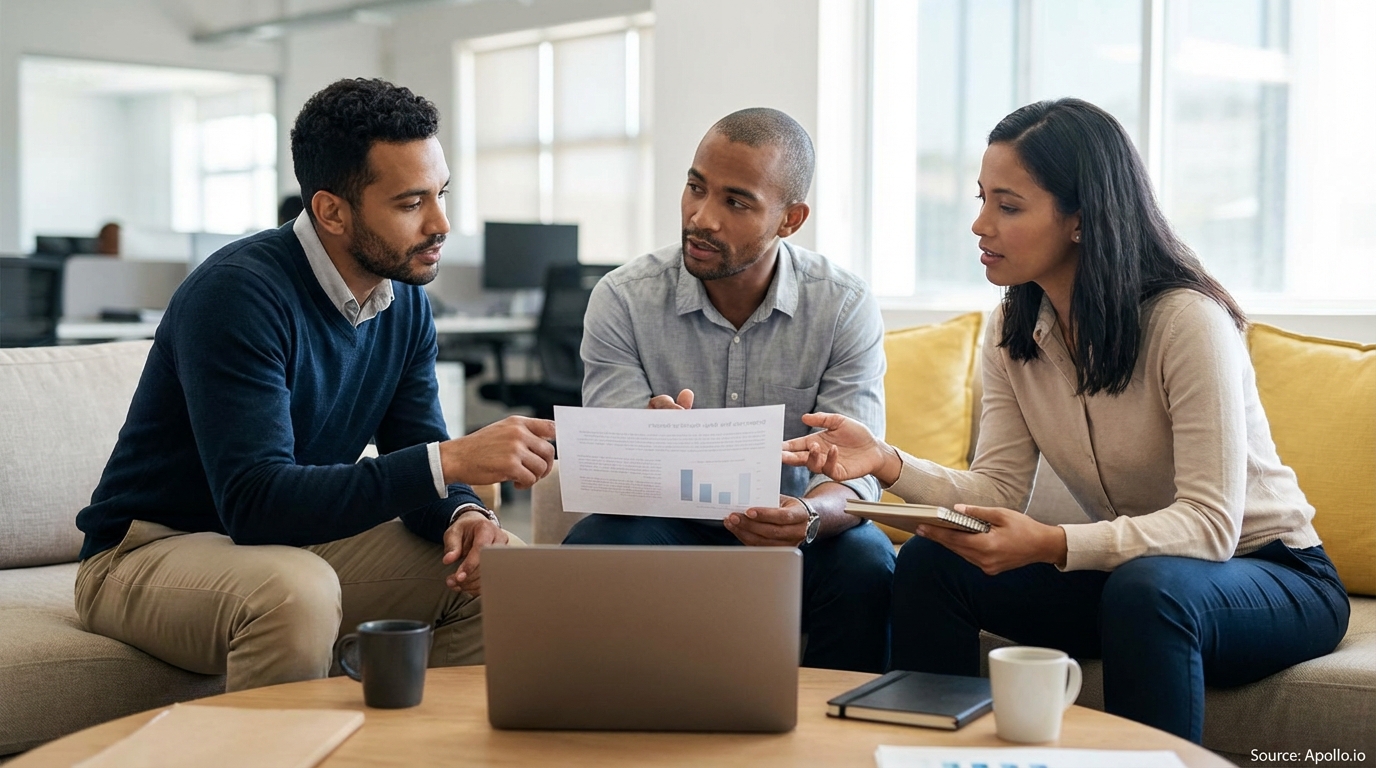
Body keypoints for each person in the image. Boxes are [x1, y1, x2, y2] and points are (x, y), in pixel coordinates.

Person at [781, 98, 1349, 741]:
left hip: (1274, 573)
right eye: (981, 198)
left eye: (1008, 205)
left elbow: (1211, 525)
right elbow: (994, 491)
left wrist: (1054, 545)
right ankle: (927, 756)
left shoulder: (1186, 321)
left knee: (1148, 590)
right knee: (933, 564)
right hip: (1129, 577)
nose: (979, 224)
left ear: (1081, 219)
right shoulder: (1012, 330)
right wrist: (885, 461)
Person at [74, 78, 557, 692]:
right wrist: (453, 459)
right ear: (331, 210)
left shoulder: (403, 301)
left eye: (441, 194)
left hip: (287, 544)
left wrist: (460, 510)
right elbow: (257, 504)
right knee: (294, 593)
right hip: (145, 553)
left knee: (501, 567)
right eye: (411, 204)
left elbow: (419, 455)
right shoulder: (238, 295)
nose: (442, 223)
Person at [564, 108, 895, 673]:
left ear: (790, 219)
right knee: (595, 543)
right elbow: (607, 466)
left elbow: (856, 475)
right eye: (696, 187)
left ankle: (835, 742)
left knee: (867, 559)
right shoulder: (622, 298)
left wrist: (808, 515)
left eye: (735, 202)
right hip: (665, 526)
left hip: (796, 535)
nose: (701, 218)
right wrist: (643, 443)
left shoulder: (842, 305)